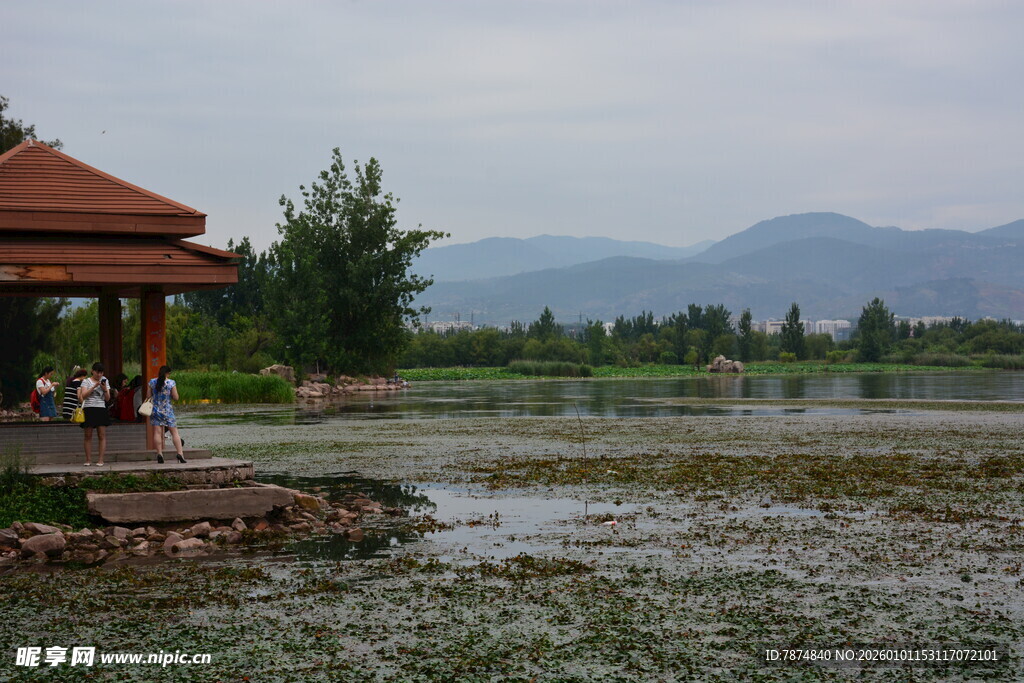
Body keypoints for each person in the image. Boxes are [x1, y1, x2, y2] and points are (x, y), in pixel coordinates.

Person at [148, 365, 186, 464]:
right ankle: (180, 453)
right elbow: (176, 397)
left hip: (155, 410)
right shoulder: (171, 383)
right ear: (168, 373)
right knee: (174, 433)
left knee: (157, 432)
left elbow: (148, 396)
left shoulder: (152, 382)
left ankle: (159, 453)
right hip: (168, 410)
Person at [78, 362, 111, 467]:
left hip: (101, 408)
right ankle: (88, 459)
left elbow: (107, 398)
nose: (99, 375)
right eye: (97, 372)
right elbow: (83, 396)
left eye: (101, 373)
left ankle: (101, 460)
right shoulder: (86, 381)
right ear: (92, 371)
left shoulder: (105, 381)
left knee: (102, 435)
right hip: (89, 408)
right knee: (88, 435)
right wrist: (93, 387)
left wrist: (104, 389)